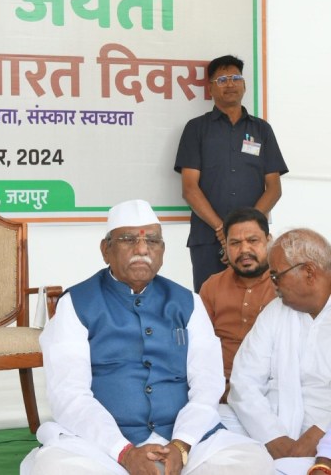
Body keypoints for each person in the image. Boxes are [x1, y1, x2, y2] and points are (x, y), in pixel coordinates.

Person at [21, 199, 273, 475]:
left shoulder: (188, 302)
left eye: (152, 241)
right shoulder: (76, 304)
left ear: (162, 251)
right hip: (104, 446)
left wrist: (181, 445)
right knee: (54, 468)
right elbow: (69, 394)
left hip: (183, 442)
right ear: (105, 250)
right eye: (128, 240)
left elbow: (207, 385)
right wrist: (124, 452)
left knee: (253, 462)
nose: (142, 249)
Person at [174, 54, 288, 293]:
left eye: (236, 78)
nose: (230, 84)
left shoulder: (262, 130)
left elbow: (274, 188)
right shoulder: (196, 129)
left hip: (254, 241)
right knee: (209, 304)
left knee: (260, 302)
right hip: (208, 239)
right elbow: (190, 189)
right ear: (210, 89)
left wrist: (245, 230)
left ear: (244, 85)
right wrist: (224, 232)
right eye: (222, 80)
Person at [228, 228, 331, 475]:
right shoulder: (275, 312)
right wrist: (273, 436)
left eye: (276, 276)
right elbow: (244, 381)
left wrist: (321, 432)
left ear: (309, 272)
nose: (272, 285)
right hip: (271, 427)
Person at [199, 207, 276, 405]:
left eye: (253, 240)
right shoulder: (212, 286)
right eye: (235, 243)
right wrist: (214, 386)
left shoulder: (284, 285)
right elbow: (198, 346)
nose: (244, 250)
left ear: (269, 241)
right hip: (219, 389)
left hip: (271, 389)